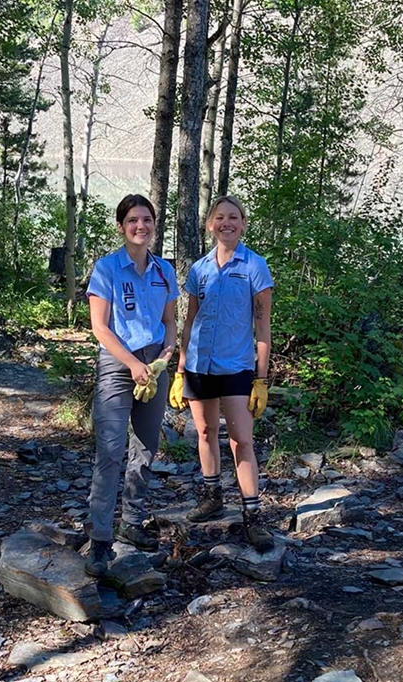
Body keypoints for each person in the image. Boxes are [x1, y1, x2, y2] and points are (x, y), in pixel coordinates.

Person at [170, 195, 274, 552]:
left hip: (237, 366)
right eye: (219, 218)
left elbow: (263, 327)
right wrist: (180, 369)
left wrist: (261, 378)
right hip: (200, 363)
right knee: (204, 431)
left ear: (243, 224)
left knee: (241, 440)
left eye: (234, 217)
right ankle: (212, 494)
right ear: (209, 224)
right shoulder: (199, 269)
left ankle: (252, 515)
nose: (226, 223)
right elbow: (189, 321)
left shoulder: (255, 266)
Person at [84, 194, 178, 577]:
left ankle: (132, 523)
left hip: (154, 364)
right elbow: (100, 327)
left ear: (155, 225)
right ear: (122, 226)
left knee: (146, 448)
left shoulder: (164, 270)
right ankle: (100, 539)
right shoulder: (107, 269)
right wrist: (132, 364)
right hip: (118, 363)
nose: (141, 226)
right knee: (110, 450)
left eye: (147, 220)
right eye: (133, 220)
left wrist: (167, 355)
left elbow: (170, 320)